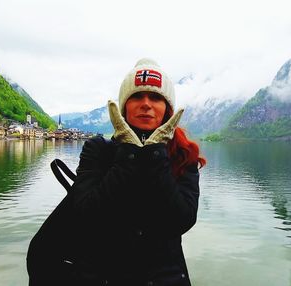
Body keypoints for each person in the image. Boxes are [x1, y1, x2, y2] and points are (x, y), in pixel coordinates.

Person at [27, 58, 205, 286]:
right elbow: (86, 213)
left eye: (156, 97)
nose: (146, 104)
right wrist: (130, 152)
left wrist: (155, 152)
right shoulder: (98, 150)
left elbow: (182, 220)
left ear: (167, 109)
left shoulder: (183, 155)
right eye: (137, 96)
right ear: (123, 107)